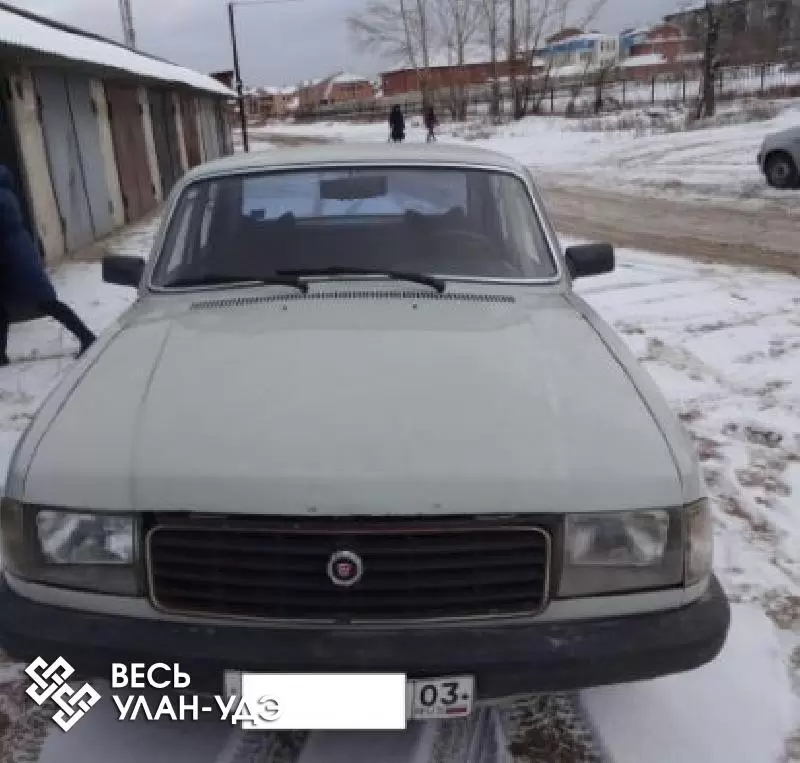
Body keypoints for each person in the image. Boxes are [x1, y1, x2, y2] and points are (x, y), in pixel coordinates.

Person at [0, 165, 96, 367]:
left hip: (12, 257)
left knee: (47, 303)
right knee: (7, 308)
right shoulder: (6, 193)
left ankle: (86, 336)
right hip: (16, 253)